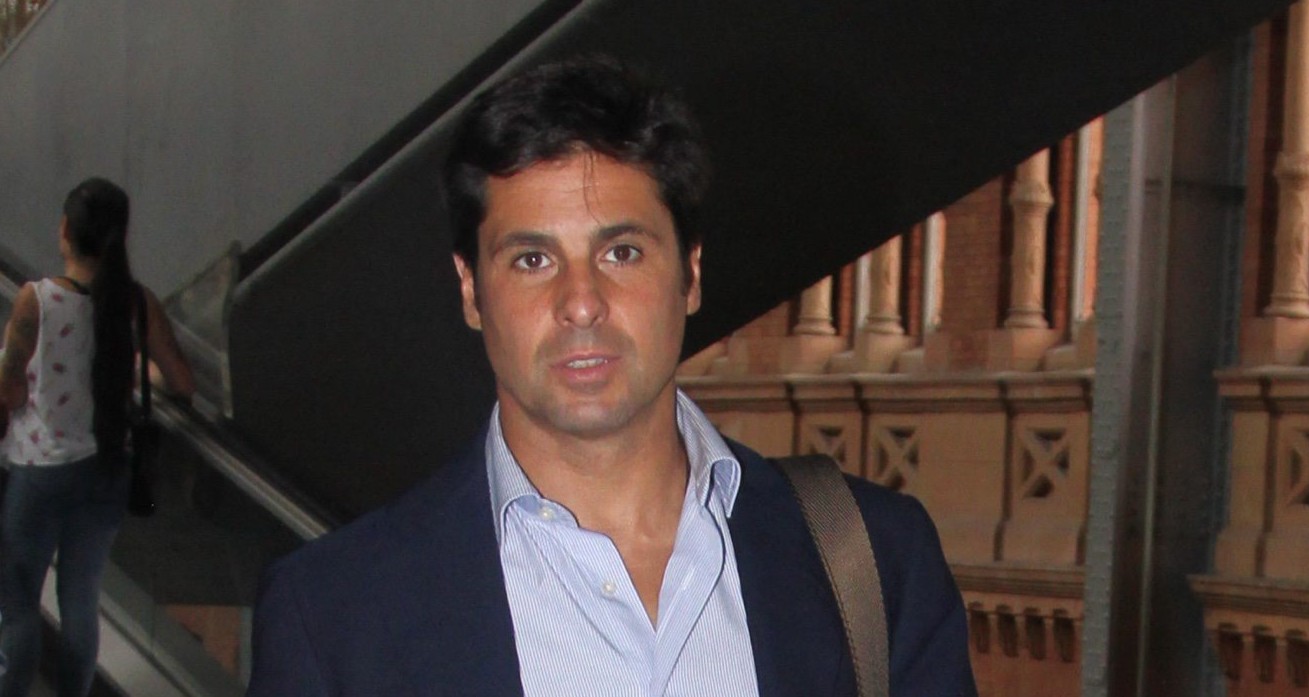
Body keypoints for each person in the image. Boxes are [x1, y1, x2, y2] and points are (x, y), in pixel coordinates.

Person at [247, 56, 976, 696]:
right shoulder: (334, 613)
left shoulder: (874, 562)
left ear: (690, 273)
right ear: (471, 290)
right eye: (532, 259)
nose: (581, 302)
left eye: (621, 252)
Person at [0, 177, 195, 697]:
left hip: (40, 474)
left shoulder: (36, 300)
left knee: (18, 602)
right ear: (119, 238)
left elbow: (10, 391)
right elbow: (181, 380)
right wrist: (137, 371)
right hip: (107, 471)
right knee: (81, 603)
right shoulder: (135, 302)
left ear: (65, 230)